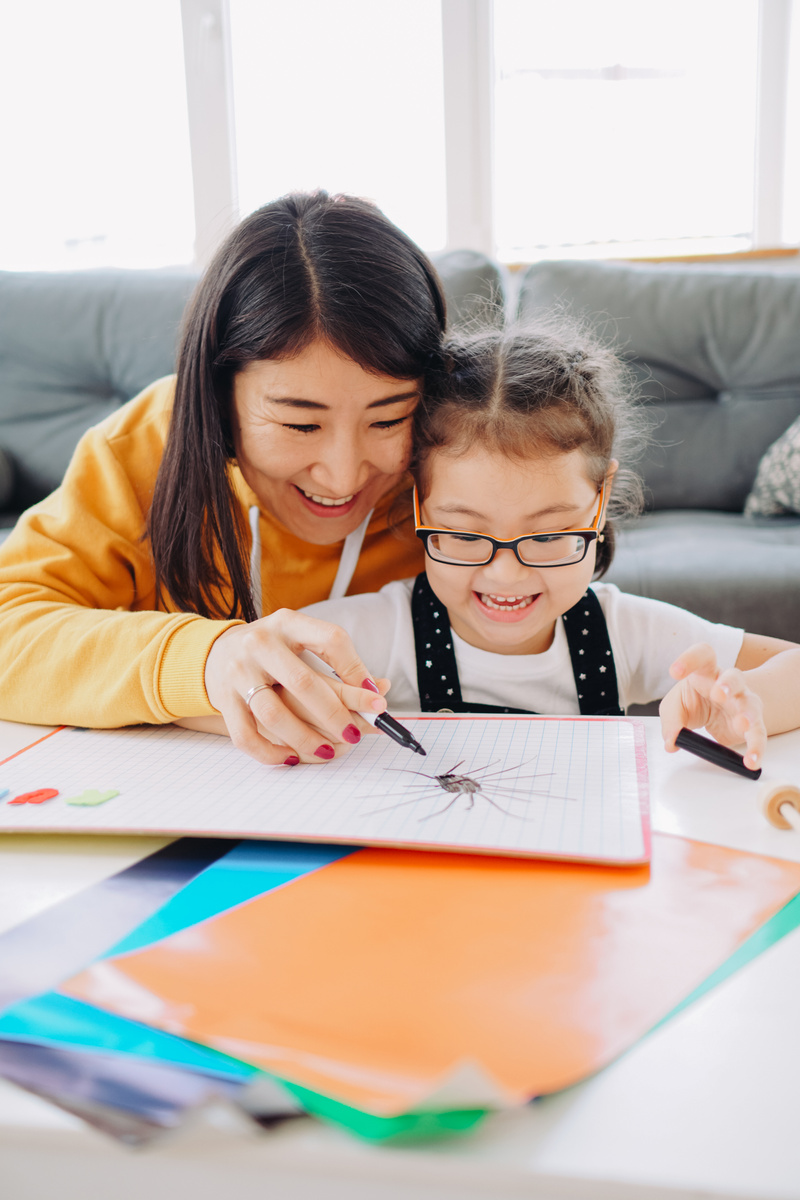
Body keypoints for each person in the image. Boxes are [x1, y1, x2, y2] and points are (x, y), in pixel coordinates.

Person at [0, 192, 446, 764]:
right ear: (217, 395)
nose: (343, 474)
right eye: (299, 423)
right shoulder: (144, 448)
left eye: (388, 418)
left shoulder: (454, 456)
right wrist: (205, 660)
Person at [297, 322, 800, 767]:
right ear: (419, 505)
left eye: (549, 535)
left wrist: (747, 699)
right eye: (467, 535)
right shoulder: (372, 634)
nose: (506, 575)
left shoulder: (626, 631)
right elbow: (245, 693)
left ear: (600, 501)